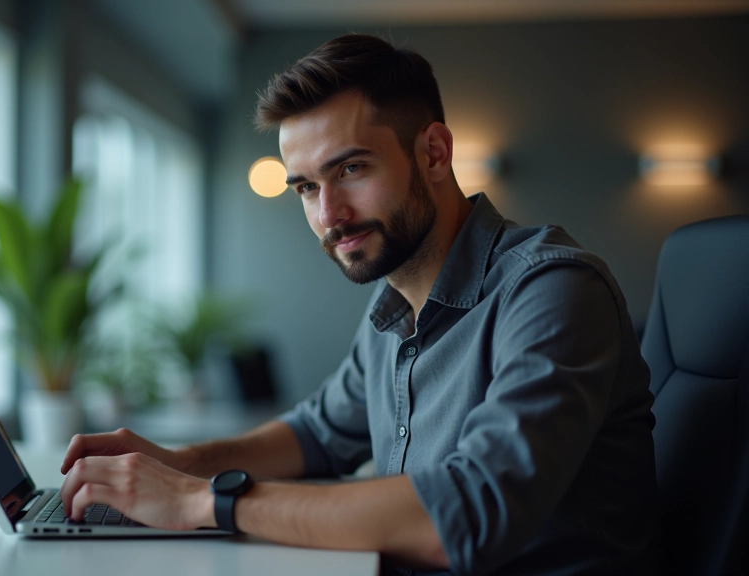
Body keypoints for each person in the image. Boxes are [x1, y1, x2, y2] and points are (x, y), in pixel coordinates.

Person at [58, 34, 657, 575]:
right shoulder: (393, 302)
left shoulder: (552, 291)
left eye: (351, 168)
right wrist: (180, 463)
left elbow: (469, 517)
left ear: (435, 153)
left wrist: (200, 501)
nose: (329, 215)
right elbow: (316, 434)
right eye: (307, 187)